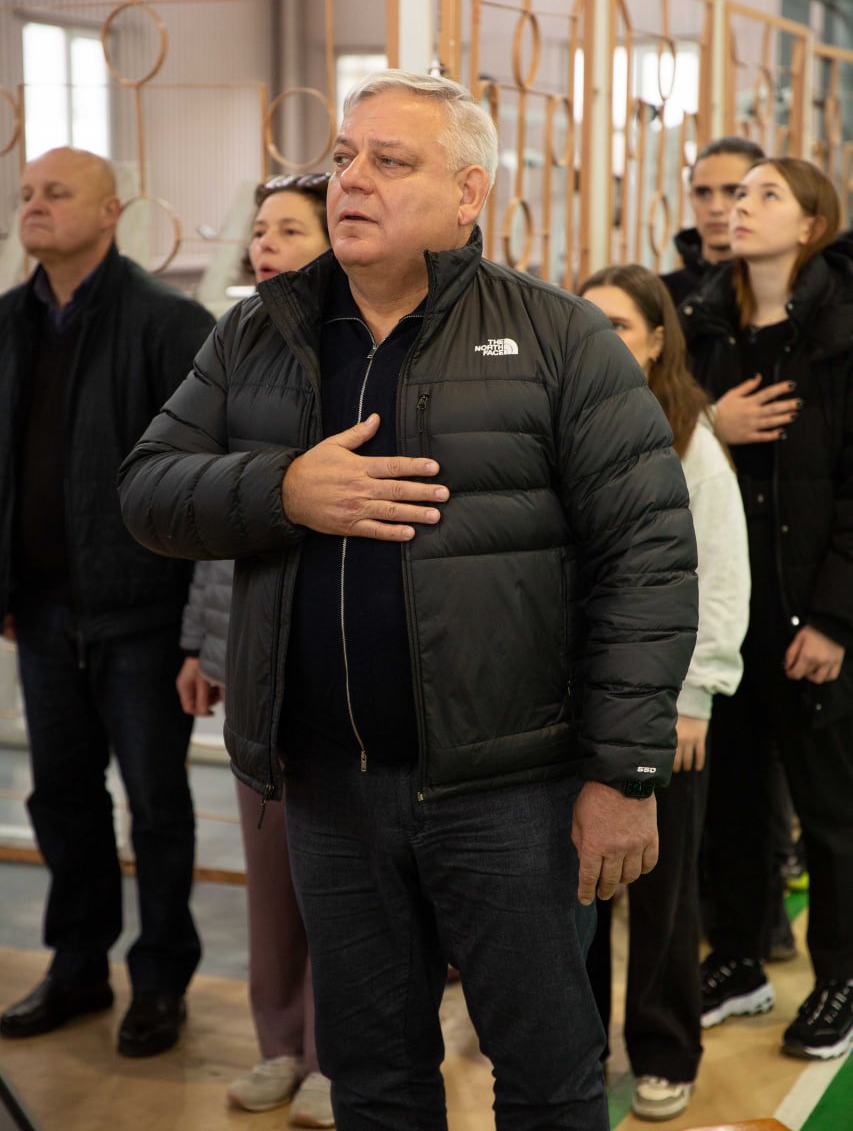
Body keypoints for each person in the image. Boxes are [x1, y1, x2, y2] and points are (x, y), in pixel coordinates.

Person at [118, 70, 698, 1131]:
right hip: (330, 788)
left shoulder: (557, 337)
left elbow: (647, 559)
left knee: (549, 1076)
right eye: (344, 157)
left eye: (390, 161)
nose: (352, 180)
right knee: (375, 1081)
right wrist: (281, 490)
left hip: (511, 791)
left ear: (469, 193)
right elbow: (148, 491)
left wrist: (623, 771)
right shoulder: (257, 334)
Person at [0, 147, 214, 1057]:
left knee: (157, 806)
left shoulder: (169, 323)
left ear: (110, 211)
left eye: (57, 193)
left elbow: (203, 480)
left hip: (141, 614)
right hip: (43, 612)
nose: (34, 206)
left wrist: (198, 629)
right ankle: (78, 965)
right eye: (26, 194)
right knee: (61, 798)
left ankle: (160, 980)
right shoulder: (8, 322)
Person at [680, 157, 853, 1061]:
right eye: (732, 193)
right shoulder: (703, 322)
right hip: (725, 611)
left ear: (810, 225)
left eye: (763, 195)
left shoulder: (839, 328)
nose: (738, 207)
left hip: (810, 615)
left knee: (829, 813)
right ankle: (737, 959)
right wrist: (715, 420)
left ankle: (839, 978)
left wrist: (832, 620)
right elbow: (659, 432)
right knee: (732, 804)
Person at [177, 172, 334, 1126]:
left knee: (341, 882)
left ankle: (333, 1055)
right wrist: (203, 646)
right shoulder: (236, 346)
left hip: (337, 652)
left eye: (289, 230)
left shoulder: (362, 352)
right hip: (252, 656)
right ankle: (279, 1043)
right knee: (270, 874)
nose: (265, 246)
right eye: (261, 231)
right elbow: (211, 515)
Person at [580, 265, 749, 1121]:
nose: (600, 338)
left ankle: (663, 1048)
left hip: (660, 703)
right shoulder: (560, 419)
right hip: (570, 704)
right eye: (587, 322)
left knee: (661, 890)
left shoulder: (691, 441)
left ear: (655, 341)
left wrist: (694, 696)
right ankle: (575, 1042)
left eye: (617, 324)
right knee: (573, 889)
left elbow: (719, 575)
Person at [661, 136, 765, 306]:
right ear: (691, 198)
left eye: (733, 192)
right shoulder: (661, 295)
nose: (715, 208)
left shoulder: (786, 295)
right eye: (703, 193)